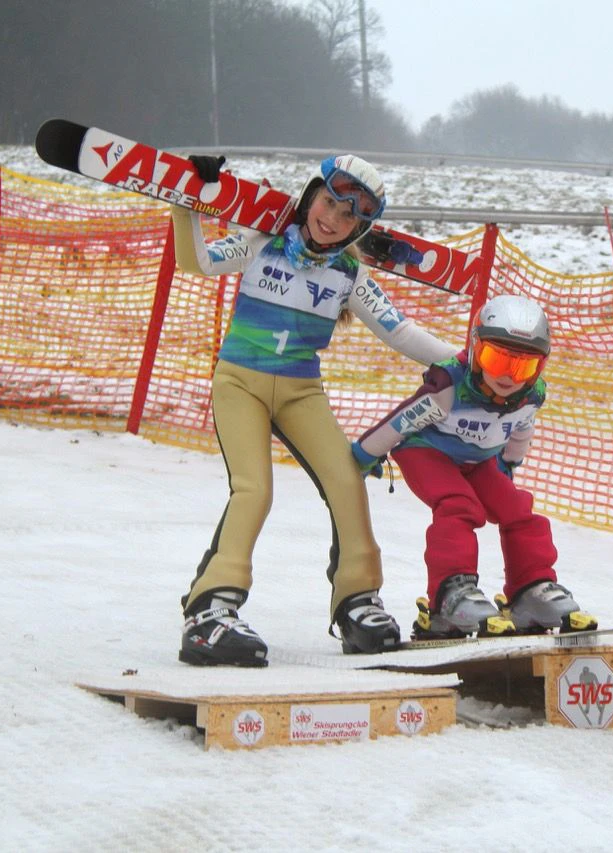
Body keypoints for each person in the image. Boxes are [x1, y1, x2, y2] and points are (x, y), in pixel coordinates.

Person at [170, 153, 457, 665]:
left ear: (360, 228)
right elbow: (199, 262)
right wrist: (186, 204)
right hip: (241, 383)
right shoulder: (263, 243)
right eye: (329, 202)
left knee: (347, 479)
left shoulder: (348, 274)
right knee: (255, 489)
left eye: (350, 217)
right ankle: (211, 609)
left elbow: (401, 331)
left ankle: (356, 601)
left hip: (301, 389)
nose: (333, 219)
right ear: (311, 195)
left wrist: (467, 365)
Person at [349, 295, 596, 639]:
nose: (508, 376)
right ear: (476, 348)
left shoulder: (530, 396)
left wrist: (509, 464)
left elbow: (522, 428)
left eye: (522, 367)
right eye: (496, 359)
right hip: (428, 452)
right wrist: (363, 454)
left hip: (479, 460)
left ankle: (531, 589)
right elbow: (402, 420)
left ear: (539, 367)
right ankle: (450, 595)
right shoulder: (450, 387)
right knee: (458, 505)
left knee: (518, 510)